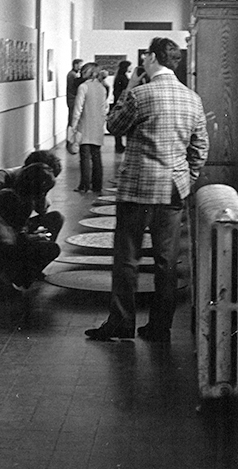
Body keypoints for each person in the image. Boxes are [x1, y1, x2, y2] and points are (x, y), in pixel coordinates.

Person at [86, 37, 209, 343]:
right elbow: (201, 147)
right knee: (166, 262)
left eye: (145, 57)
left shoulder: (140, 95)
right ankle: (159, 328)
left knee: (127, 259)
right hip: (173, 190)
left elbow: (113, 126)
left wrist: (127, 90)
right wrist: (186, 177)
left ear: (153, 58)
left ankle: (121, 323)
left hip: (138, 191)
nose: (142, 62)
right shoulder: (192, 98)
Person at [0, 162, 61, 289]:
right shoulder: (12, 198)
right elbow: (5, 236)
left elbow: (17, 228)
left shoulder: (21, 197)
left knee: (55, 218)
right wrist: (29, 238)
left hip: (4, 240)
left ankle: (13, 273)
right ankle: (9, 275)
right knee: (52, 248)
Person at [71, 62, 108, 194]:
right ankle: (97, 185)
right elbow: (105, 108)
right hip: (97, 125)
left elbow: (78, 108)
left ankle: (84, 185)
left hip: (84, 125)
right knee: (96, 156)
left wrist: (73, 126)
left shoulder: (83, 87)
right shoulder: (102, 88)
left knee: (85, 157)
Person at [112, 60, 132, 153]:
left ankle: (119, 144)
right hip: (121, 102)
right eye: (129, 66)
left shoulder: (121, 77)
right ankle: (118, 145)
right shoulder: (122, 77)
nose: (131, 68)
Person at [65, 59, 84, 127]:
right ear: (76, 65)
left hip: (72, 97)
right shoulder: (72, 75)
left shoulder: (73, 74)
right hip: (72, 98)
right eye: (80, 64)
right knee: (72, 117)